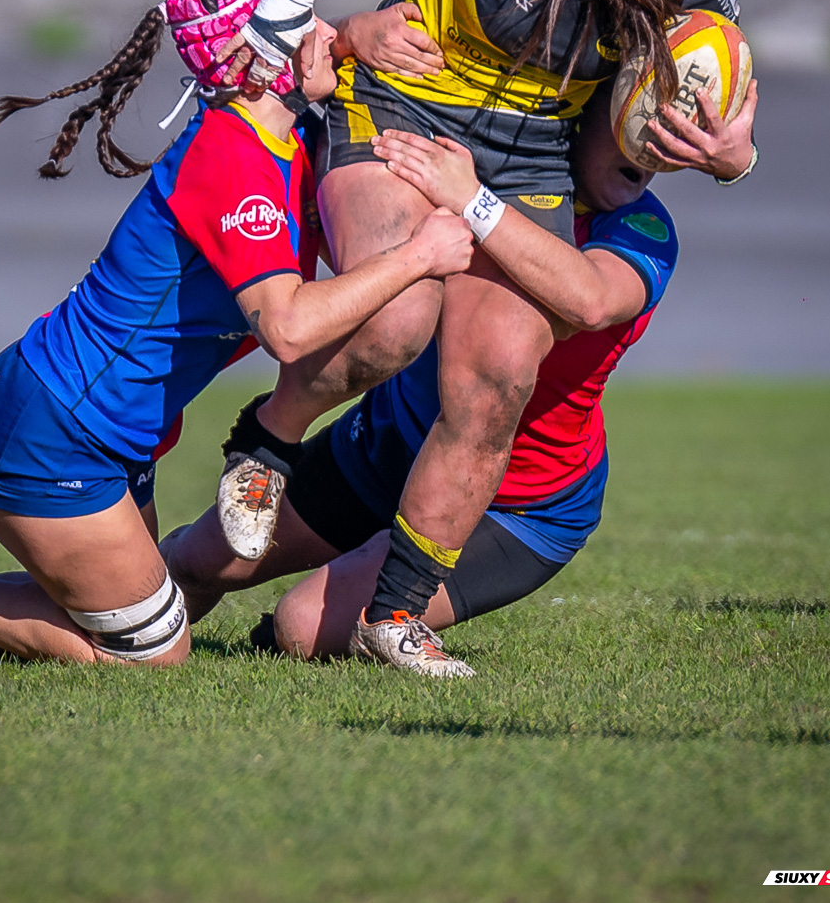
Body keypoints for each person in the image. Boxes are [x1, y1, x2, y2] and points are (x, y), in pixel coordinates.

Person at [212, 0, 762, 674]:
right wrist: (287, 6)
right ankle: (269, 439)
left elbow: (719, 94)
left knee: (498, 378)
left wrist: (734, 156)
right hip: (401, 102)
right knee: (397, 318)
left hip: (528, 153)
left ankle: (394, 620)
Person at [0, 0, 473, 668]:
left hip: (113, 428)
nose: (324, 30)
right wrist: (417, 257)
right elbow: (288, 326)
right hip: (54, 430)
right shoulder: (233, 155)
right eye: (303, 19)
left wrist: (355, 46)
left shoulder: (283, 135)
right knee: (150, 652)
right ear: (262, 52)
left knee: (126, 609)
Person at [165, 92, 679, 676]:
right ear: (578, 116)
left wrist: (473, 202)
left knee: (300, 627)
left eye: (668, 138)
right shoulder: (468, 167)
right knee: (202, 560)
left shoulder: (640, 228)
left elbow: (589, 299)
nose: (652, 148)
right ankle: (103, 615)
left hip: (519, 506)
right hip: (391, 440)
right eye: (633, 122)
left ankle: (354, 615)